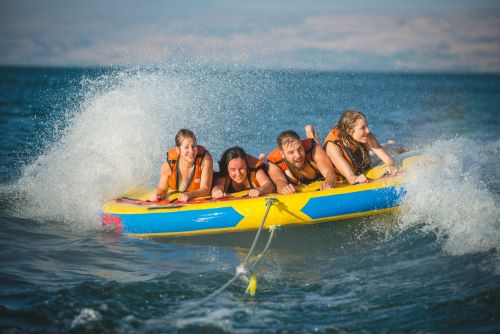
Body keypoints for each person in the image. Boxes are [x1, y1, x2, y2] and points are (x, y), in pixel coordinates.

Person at [315, 109, 397, 185]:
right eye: (362, 128)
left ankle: (392, 144)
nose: (368, 130)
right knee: (372, 155)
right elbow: (350, 177)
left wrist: (390, 165)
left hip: (359, 157)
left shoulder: (365, 134)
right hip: (346, 169)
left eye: (367, 126)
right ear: (349, 131)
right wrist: (356, 179)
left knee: (378, 151)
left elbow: (387, 159)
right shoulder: (333, 147)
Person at [149, 129, 213, 202]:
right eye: (186, 147)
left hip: (198, 193)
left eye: (193, 146)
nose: (191, 151)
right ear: (177, 149)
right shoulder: (169, 165)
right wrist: (157, 195)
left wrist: (189, 194)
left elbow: (205, 189)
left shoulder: (205, 160)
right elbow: (162, 188)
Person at [267, 130, 336, 195]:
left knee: (317, 145)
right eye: (291, 152)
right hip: (298, 181)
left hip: (316, 169)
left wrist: (329, 181)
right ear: (282, 155)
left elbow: (329, 172)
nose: (298, 155)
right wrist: (284, 188)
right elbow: (279, 182)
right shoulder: (274, 163)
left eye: (300, 149)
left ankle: (311, 134)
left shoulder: (313, 148)